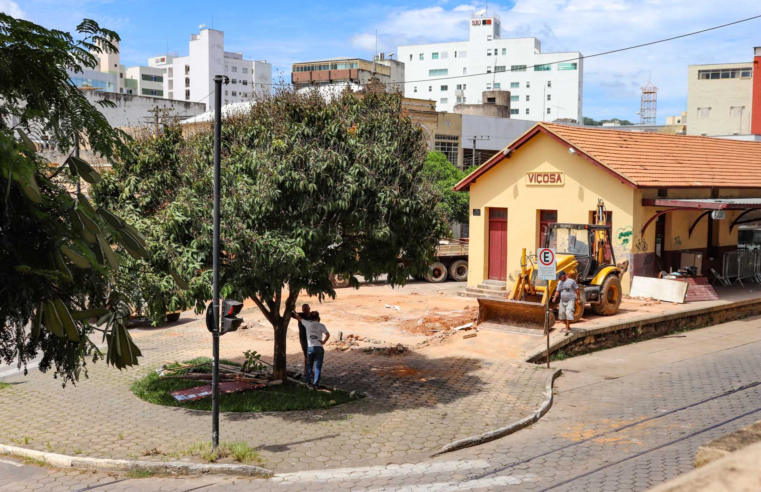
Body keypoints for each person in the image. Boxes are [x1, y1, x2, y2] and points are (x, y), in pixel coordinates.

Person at [292, 310, 330, 388]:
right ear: (318, 317)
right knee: (318, 367)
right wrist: (324, 342)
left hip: (310, 348)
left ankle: (308, 382)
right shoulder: (321, 325)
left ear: (311, 317)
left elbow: (298, 317)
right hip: (319, 348)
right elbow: (327, 334)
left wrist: (293, 310)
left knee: (309, 366)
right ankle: (316, 383)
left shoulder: (307, 324)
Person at [296, 304, 311, 379]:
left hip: (311, 339)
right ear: (302, 310)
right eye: (304, 310)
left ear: (309, 308)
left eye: (307, 309)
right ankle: (306, 370)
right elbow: (292, 313)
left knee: (311, 355)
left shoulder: (313, 316)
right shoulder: (300, 315)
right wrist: (292, 308)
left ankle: (309, 370)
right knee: (306, 355)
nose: (306, 311)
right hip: (303, 339)